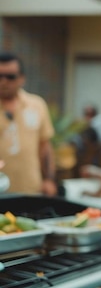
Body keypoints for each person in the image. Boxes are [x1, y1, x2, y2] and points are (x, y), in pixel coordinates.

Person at [0, 51, 57, 196]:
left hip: (30, 190)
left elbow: (45, 146)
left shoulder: (36, 105)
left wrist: (49, 179)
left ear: (22, 79)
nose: (4, 81)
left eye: (10, 77)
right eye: (0, 76)